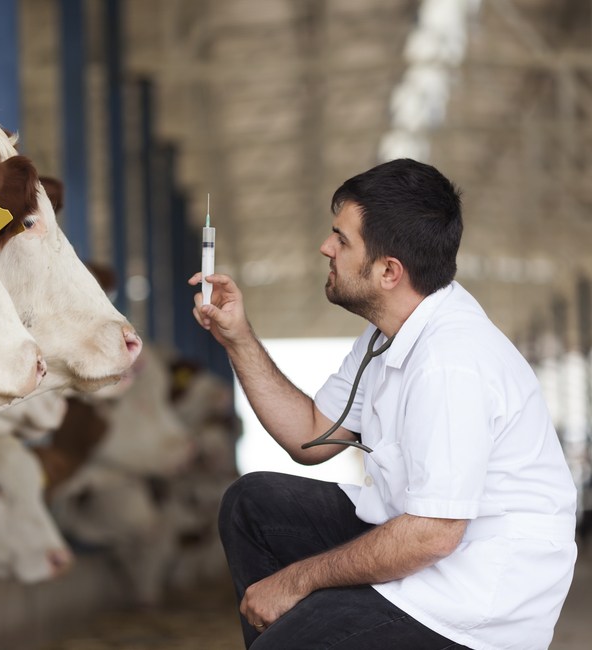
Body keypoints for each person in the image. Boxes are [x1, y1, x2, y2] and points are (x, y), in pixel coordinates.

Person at [189, 158, 577, 650]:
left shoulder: (451, 360)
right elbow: (309, 436)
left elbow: (433, 535)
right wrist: (238, 338)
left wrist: (296, 581)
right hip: (421, 545)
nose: (325, 248)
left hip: (473, 599)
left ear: (389, 271)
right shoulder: (386, 336)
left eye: (342, 240)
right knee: (254, 505)